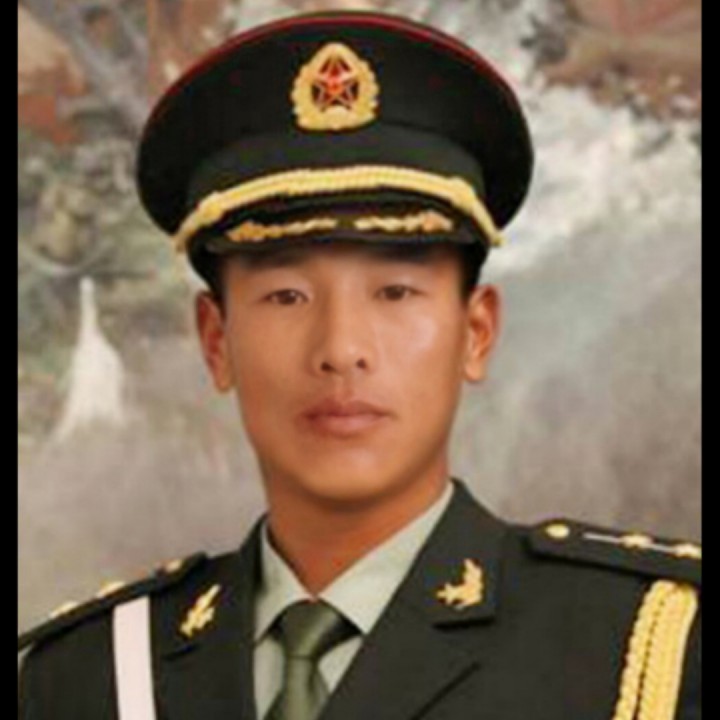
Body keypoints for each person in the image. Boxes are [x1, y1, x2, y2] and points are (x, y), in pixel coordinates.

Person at [18, 10, 700, 720]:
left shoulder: (638, 649)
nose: (341, 348)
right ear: (216, 342)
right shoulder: (85, 679)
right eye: (286, 296)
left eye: (395, 292)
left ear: (476, 333)